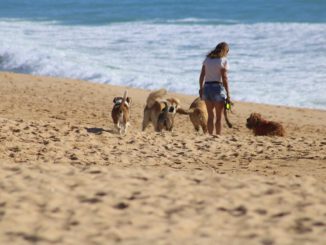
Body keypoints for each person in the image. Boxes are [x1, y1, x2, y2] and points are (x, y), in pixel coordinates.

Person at [199, 42, 231, 135]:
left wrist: (201, 89)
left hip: (207, 88)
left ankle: (210, 136)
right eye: (227, 51)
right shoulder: (223, 61)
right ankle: (217, 136)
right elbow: (224, 78)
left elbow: (202, 76)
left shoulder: (207, 60)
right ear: (225, 51)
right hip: (217, 88)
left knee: (210, 116)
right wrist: (228, 94)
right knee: (218, 117)